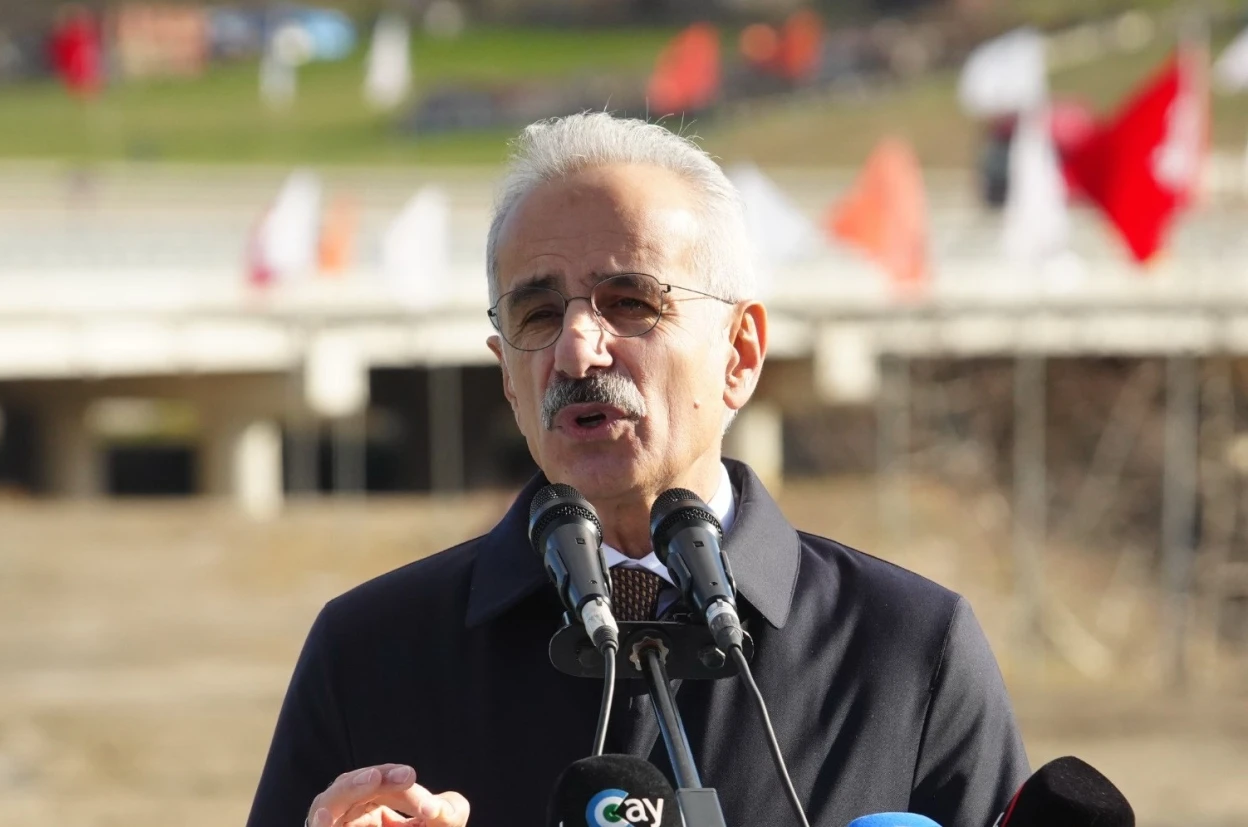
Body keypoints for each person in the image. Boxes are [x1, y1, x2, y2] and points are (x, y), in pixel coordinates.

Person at [246, 113, 1029, 827]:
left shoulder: (909, 648)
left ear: (740, 353)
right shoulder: (371, 653)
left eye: (629, 302)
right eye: (538, 314)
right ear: (507, 376)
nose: (576, 349)